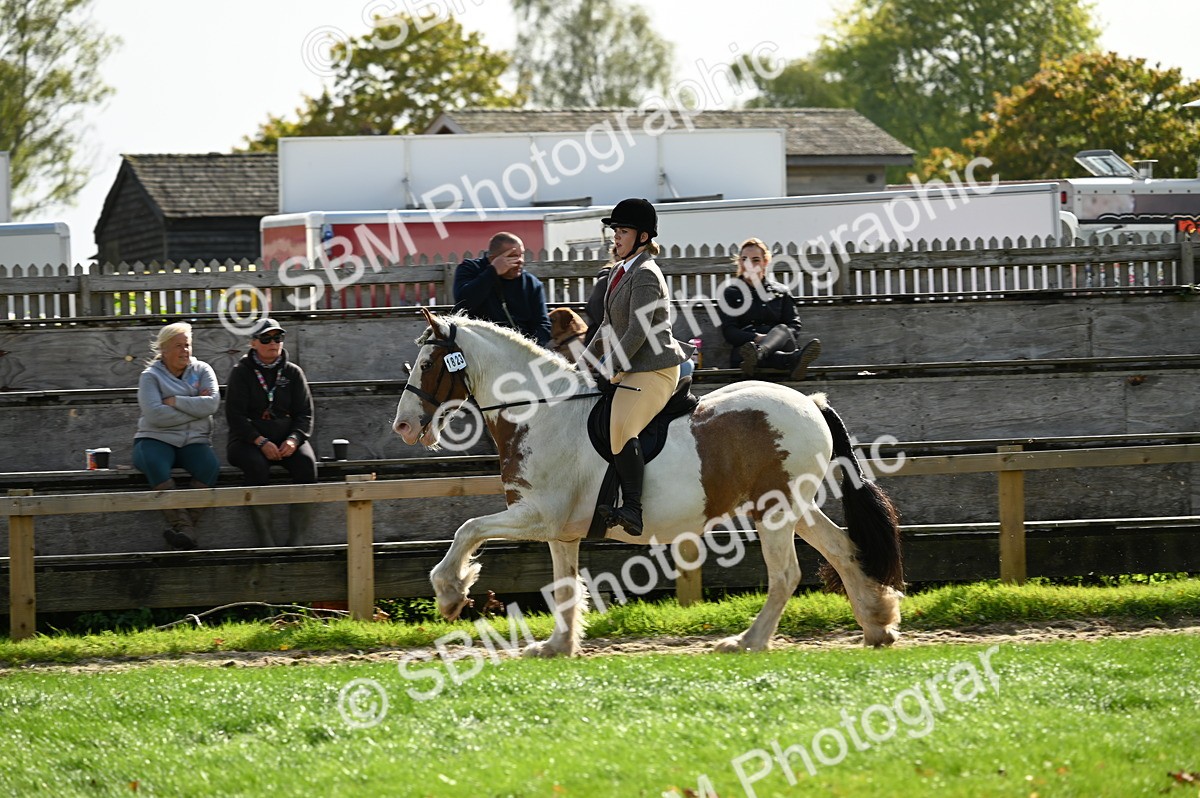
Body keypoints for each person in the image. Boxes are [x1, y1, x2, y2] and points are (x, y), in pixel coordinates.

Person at [581, 198, 693, 536]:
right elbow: (606, 327)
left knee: (620, 426)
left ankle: (633, 508)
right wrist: (583, 363)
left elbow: (637, 331)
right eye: (615, 230)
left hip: (655, 369)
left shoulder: (645, 274)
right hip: (631, 368)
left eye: (623, 231)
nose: (615, 236)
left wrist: (610, 367)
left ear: (643, 237)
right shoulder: (619, 271)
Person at [225, 318, 318, 547]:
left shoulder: (293, 373)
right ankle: (266, 541)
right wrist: (259, 441)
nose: (273, 343)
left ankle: (297, 541)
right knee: (256, 466)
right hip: (247, 440)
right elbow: (234, 416)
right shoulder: (240, 372)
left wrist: (294, 440)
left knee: (307, 464)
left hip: (286, 438)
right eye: (266, 338)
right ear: (253, 343)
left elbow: (305, 414)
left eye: (277, 337)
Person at [133, 321, 221, 550]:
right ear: (164, 350)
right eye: (178, 346)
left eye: (187, 345)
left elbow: (212, 404)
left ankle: (184, 529)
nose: (185, 350)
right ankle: (185, 527)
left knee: (209, 466)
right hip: (156, 438)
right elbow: (155, 415)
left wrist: (175, 402)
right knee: (153, 462)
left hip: (193, 440)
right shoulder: (149, 377)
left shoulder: (203, 370)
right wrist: (195, 409)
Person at [718, 237, 822, 380]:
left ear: (765, 262)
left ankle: (759, 354)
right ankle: (792, 359)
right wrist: (758, 338)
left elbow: (794, 326)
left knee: (782, 330)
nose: (749, 264)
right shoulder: (731, 293)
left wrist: (772, 339)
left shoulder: (781, 291)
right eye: (744, 259)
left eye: (755, 260)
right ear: (740, 262)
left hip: (781, 345)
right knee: (751, 353)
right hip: (746, 350)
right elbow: (730, 332)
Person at [452, 232, 552, 347]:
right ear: (493, 259)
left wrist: (529, 350)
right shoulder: (470, 269)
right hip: (477, 346)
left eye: (521, 255)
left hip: (519, 350)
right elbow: (463, 303)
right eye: (513, 256)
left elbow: (542, 324)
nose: (520, 260)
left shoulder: (531, 284)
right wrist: (492, 272)